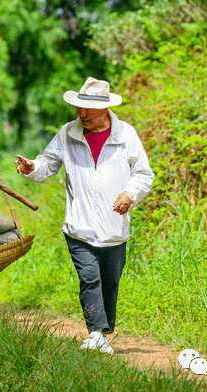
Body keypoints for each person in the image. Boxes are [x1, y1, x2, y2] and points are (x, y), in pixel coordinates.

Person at [14, 77, 154, 354]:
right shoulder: (68, 133)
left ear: (104, 109)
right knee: (89, 277)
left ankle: (102, 331)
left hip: (115, 227)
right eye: (79, 107)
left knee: (110, 281)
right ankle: (96, 334)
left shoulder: (126, 135)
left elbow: (143, 174)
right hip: (79, 225)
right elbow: (47, 164)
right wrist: (32, 166)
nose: (81, 113)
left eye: (88, 108)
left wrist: (129, 194)